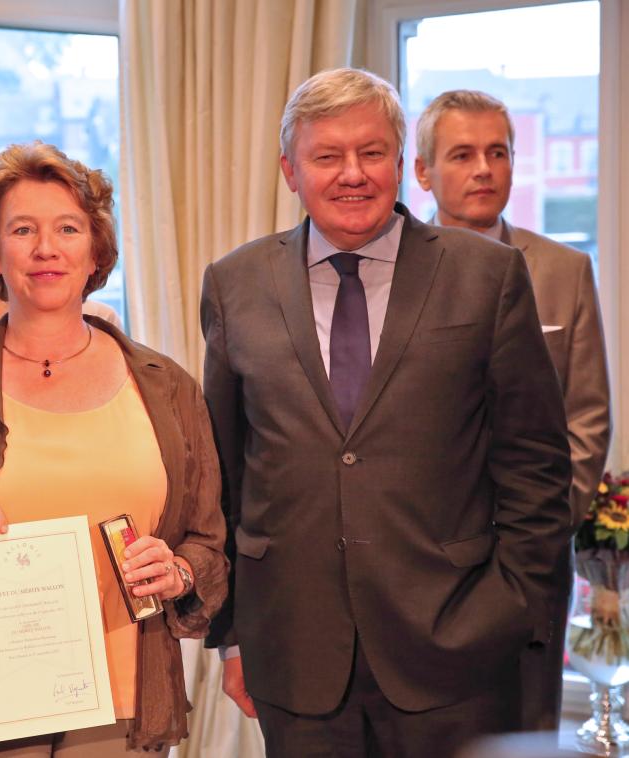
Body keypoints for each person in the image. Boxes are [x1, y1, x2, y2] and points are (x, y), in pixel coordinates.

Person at [201, 68, 572, 757]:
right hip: (294, 656)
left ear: (401, 164)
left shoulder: (485, 276)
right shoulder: (234, 284)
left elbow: (535, 470)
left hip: (456, 655)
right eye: (326, 156)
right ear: (289, 169)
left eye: (371, 153)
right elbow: (225, 474)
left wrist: (514, 615)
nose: (352, 174)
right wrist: (231, 634)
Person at [0, 141, 228, 756]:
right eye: (23, 229)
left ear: (95, 249)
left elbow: (208, 541)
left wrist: (177, 571)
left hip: (123, 700)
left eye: (68, 228)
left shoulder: (167, 386)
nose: (46, 248)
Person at [414, 89, 611, 731]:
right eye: (463, 154)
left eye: (498, 152)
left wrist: (535, 539)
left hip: (527, 564)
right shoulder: (390, 274)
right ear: (423, 172)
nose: (484, 169)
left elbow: (585, 423)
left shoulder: (564, 270)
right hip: (415, 561)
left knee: (521, 732)